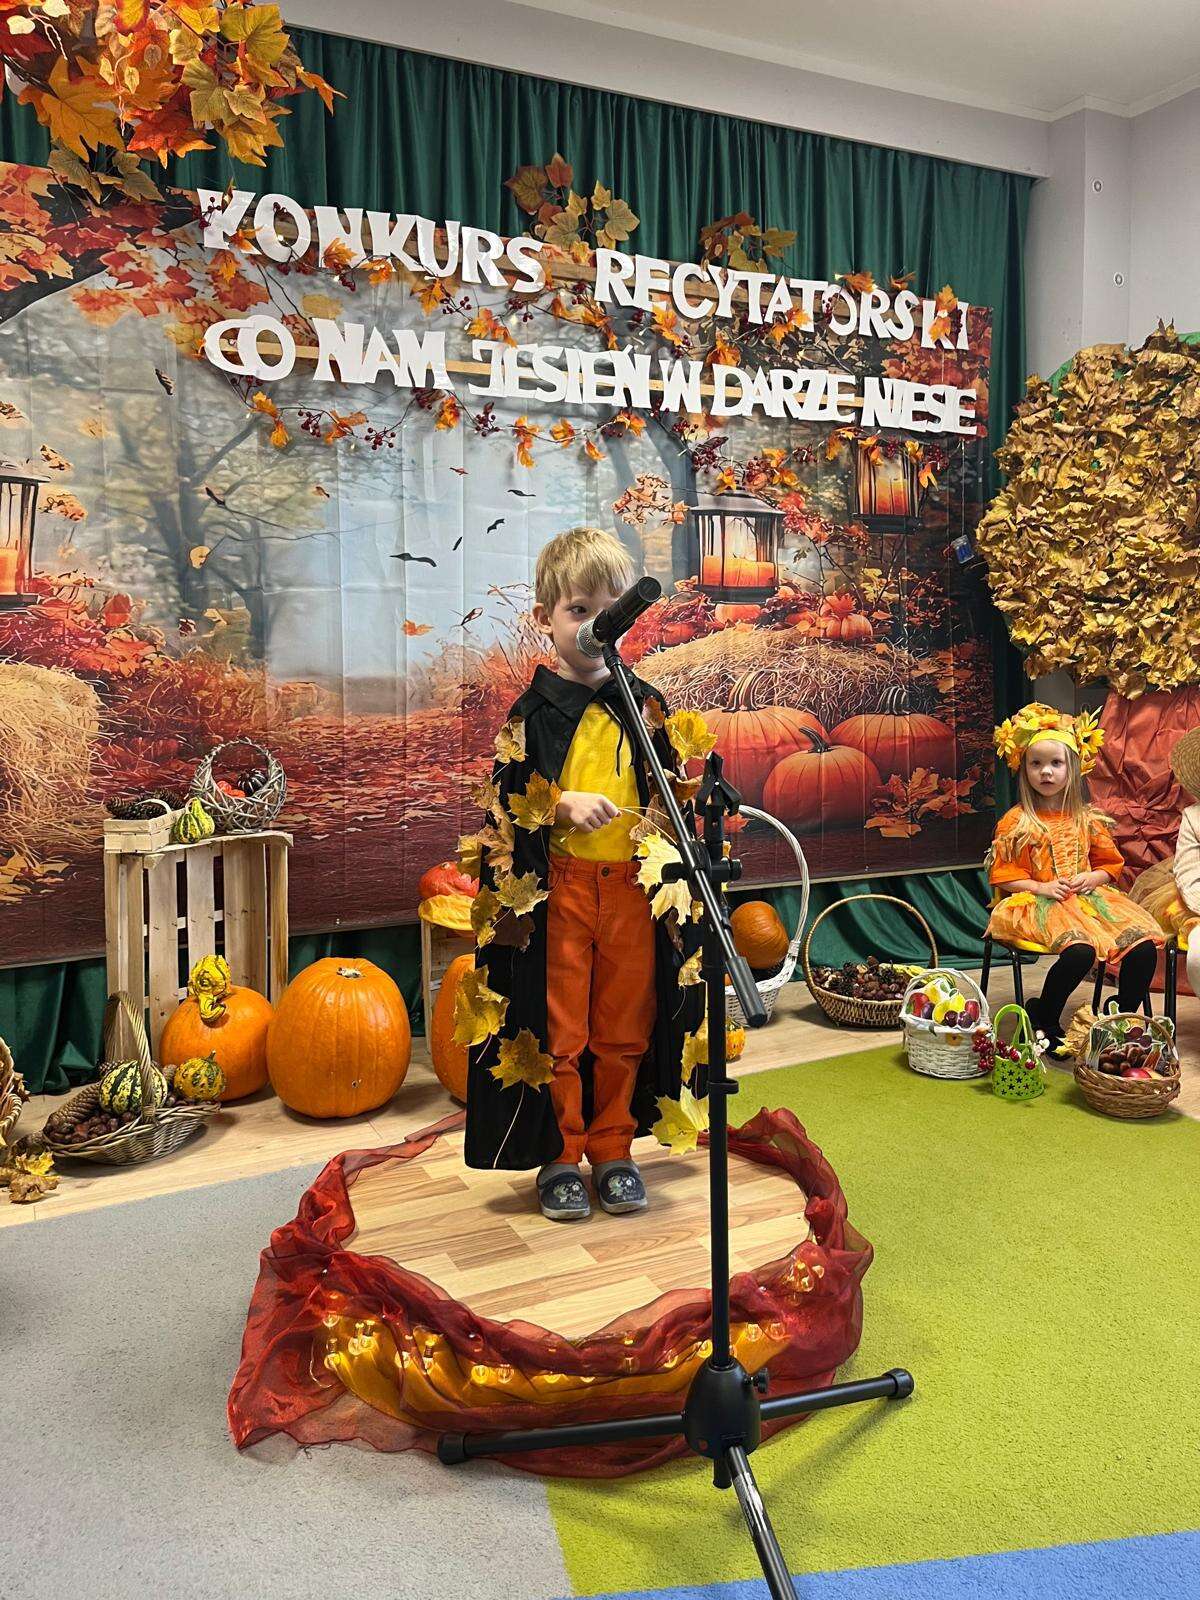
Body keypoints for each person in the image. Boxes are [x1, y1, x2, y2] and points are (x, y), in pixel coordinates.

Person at [462, 527, 703, 1221]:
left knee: (625, 1026)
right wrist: (558, 802)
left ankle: (614, 1147)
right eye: (578, 611)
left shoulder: (645, 705)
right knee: (561, 1030)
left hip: (633, 891)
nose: (594, 626)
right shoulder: (534, 712)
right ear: (547, 618)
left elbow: (671, 792)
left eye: (607, 611)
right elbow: (506, 796)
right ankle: (562, 1154)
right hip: (561, 890)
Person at [988, 703, 1162, 1055]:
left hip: (1088, 901)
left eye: (1056, 763)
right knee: (1080, 951)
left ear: (1072, 769)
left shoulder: (1087, 819)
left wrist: (1092, 877)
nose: (1046, 772)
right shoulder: (1017, 821)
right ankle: (1045, 1016)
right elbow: (1004, 875)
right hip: (1038, 901)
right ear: (1024, 770)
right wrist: (1041, 886)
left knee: (1143, 947)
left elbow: (1109, 865)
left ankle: (1121, 1018)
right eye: (1036, 764)